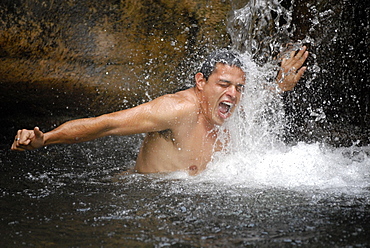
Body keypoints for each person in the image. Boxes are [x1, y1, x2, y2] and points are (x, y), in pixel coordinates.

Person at [11, 46, 309, 175]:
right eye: (224, 84)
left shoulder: (228, 106)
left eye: (239, 87)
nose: (233, 94)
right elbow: (106, 125)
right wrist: (45, 139)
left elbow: (256, 99)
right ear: (201, 82)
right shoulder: (176, 110)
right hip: (144, 198)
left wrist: (281, 86)